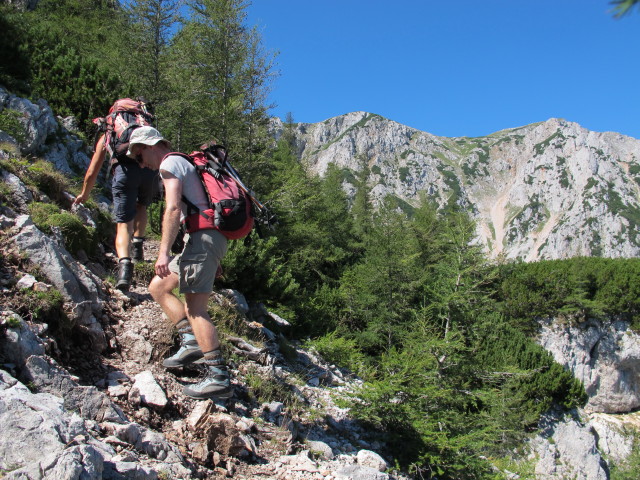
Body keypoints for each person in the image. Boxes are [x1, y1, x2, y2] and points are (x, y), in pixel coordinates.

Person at [126, 126, 232, 400]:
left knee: (196, 308)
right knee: (159, 288)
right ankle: (189, 341)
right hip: (200, 240)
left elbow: (172, 208)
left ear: (149, 146)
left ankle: (218, 376)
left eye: (139, 156)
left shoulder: (169, 163)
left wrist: (162, 253)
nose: (141, 162)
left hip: (202, 239)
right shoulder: (184, 162)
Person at [74, 129, 158, 292]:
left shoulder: (110, 133)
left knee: (124, 223)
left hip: (125, 172)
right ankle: (138, 249)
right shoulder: (142, 127)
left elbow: (93, 170)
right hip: (149, 171)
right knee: (142, 205)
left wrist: (84, 194)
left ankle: (125, 271)